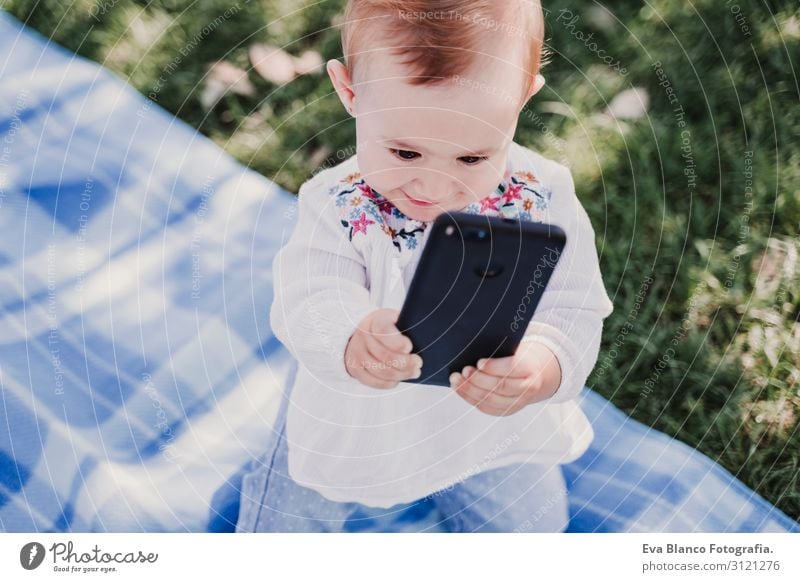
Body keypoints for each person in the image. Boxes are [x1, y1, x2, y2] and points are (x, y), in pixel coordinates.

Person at [237, 0, 614, 532]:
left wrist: (543, 364)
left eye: (472, 159)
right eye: (405, 154)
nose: (436, 189)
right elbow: (309, 293)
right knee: (285, 523)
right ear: (350, 93)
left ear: (523, 97)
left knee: (533, 531)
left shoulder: (541, 198)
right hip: (356, 414)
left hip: (486, 424)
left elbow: (574, 305)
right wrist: (350, 334)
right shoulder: (337, 203)